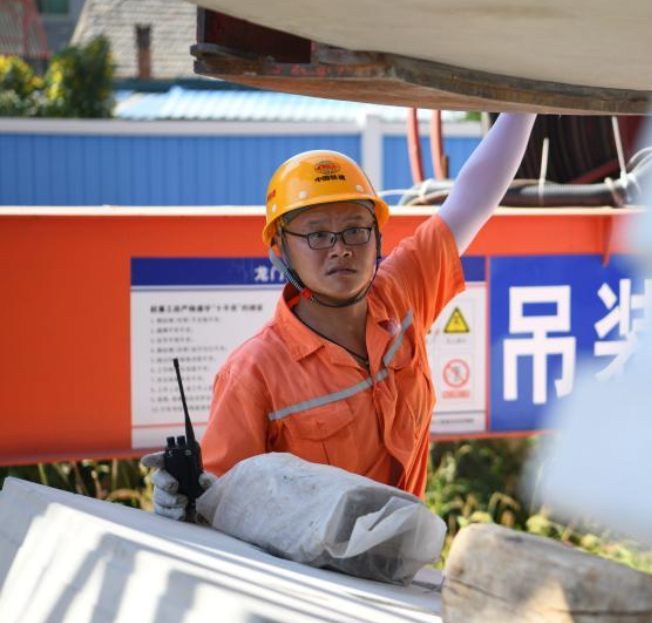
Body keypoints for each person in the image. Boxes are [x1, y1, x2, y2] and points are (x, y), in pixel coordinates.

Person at [144, 113, 537, 520]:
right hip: (308, 580)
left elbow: (472, 199)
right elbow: (217, 505)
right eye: (316, 235)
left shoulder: (400, 293)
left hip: (401, 566)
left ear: (377, 235)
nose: (340, 248)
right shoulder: (254, 374)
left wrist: (525, 106)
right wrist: (184, 508)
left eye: (355, 229)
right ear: (281, 250)